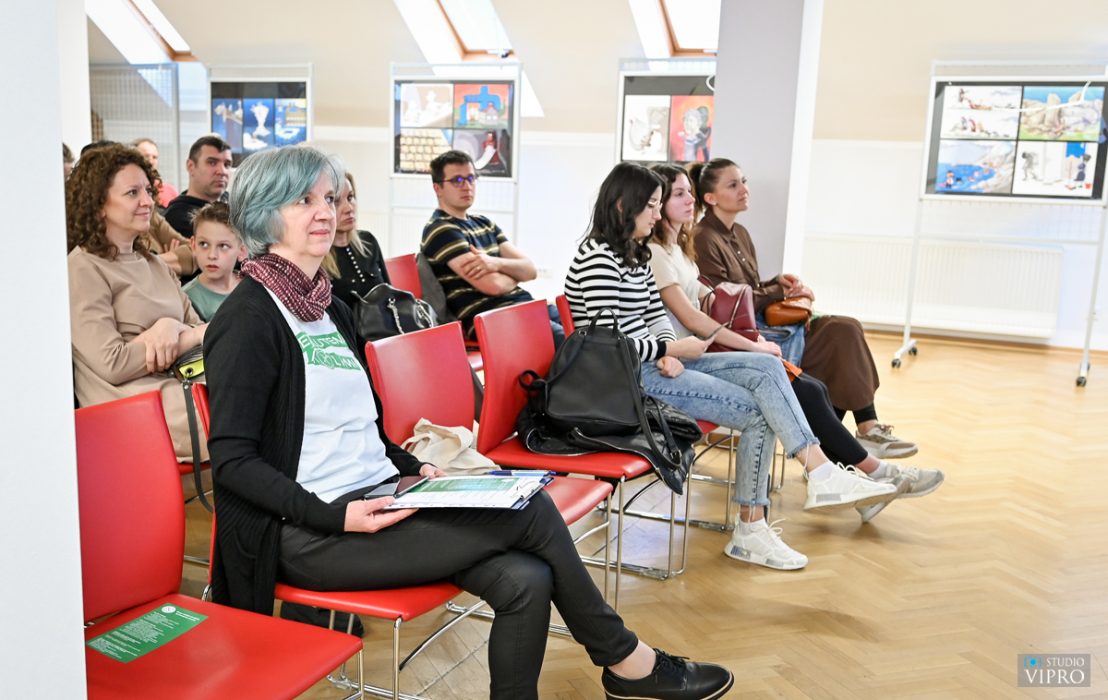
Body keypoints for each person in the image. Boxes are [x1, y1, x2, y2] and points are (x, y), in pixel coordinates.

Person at [203, 146, 733, 700]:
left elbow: (359, 427)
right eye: (302, 200)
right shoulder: (249, 319)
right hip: (310, 531)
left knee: (527, 579)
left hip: (380, 496)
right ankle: (626, 660)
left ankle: (616, 666)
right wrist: (334, 516)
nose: (324, 211)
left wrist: (413, 467)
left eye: (329, 197)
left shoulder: (328, 307)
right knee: (533, 510)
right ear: (264, 212)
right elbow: (233, 464)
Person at [565, 162, 897, 570]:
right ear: (622, 206)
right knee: (760, 412)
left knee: (767, 369)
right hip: (626, 380)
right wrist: (667, 349)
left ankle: (820, 473)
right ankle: (753, 528)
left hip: (655, 364)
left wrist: (668, 349)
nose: (655, 214)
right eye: (650, 205)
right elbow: (607, 343)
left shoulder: (634, 254)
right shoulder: (597, 259)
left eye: (657, 204)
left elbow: (652, 316)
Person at [645, 163, 943, 522]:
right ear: (656, 204)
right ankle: (868, 472)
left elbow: (717, 302)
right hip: (692, 355)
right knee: (804, 386)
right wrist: (753, 342)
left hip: (707, 348)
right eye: (679, 194)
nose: (690, 200)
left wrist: (760, 315)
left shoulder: (681, 249)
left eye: (688, 192)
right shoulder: (662, 252)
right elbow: (693, 319)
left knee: (816, 383)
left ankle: (852, 476)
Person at [691, 158, 918, 460]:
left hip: (766, 324)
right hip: (748, 337)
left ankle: (862, 432)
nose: (744, 189)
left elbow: (748, 287)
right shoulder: (703, 238)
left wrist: (777, 282)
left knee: (846, 329)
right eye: (733, 185)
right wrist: (778, 291)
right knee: (837, 345)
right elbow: (725, 304)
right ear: (711, 198)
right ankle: (852, 443)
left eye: (743, 181)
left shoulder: (740, 232)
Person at [66, 144, 207, 462]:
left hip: (181, 390)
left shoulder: (153, 263)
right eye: (133, 193)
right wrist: (179, 333)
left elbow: (201, 331)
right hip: (135, 411)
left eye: (147, 190)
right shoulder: (82, 268)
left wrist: (169, 328)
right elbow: (112, 364)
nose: (148, 201)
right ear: (99, 205)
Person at [420, 149, 564, 345]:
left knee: (584, 328)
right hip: (493, 319)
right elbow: (493, 285)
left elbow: (530, 270)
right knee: (573, 344)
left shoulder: (484, 223)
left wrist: (495, 263)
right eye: (457, 180)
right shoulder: (441, 230)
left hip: (524, 307)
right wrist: (515, 273)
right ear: (438, 188)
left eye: (471, 178)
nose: (467, 186)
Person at [322, 170, 390, 309]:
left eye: (350, 197)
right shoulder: (318, 256)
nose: (349, 208)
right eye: (336, 201)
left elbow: (390, 294)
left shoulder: (368, 242)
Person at [182, 202, 244, 321]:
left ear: (242, 250)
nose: (212, 255)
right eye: (204, 244)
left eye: (223, 246)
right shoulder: (187, 300)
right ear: (193, 246)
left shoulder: (254, 286)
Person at [164, 135, 233, 237]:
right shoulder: (178, 217)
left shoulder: (233, 202)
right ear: (191, 167)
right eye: (212, 163)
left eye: (227, 165)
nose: (222, 171)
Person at [132, 137, 180, 209]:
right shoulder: (127, 190)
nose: (151, 161)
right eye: (146, 156)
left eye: (154, 157)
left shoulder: (170, 191)